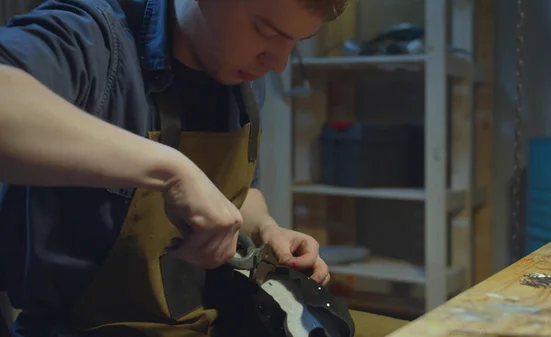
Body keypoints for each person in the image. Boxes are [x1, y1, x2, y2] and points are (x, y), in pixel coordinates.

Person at [0, 0, 408, 336]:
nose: (279, 62)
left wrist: (265, 227)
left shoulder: (241, 75)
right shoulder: (88, 39)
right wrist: (170, 170)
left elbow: (237, 193)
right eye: (266, 30)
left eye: (296, 42)